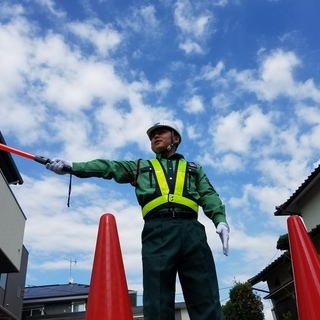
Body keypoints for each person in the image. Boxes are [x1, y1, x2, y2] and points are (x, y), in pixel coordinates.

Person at [46, 120, 229, 320]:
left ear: (176, 138)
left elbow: (209, 195)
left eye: (161, 132)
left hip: (192, 231)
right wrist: (73, 166)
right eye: (152, 135)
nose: (155, 137)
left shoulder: (193, 169)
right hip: (157, 231)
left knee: (205, 296)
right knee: (157, 299)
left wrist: (220, 220)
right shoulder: (142, 166)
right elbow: (108, 167)